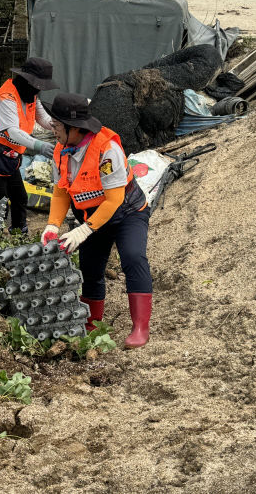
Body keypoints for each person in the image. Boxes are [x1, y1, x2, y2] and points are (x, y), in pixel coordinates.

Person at [40, 93, 153, 348]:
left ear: (74, 128)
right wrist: (52, 225)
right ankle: (92, 324)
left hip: (127, 212)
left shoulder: (106, 149)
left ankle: (140, 328)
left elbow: (113, 200)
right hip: (90, 217)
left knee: (133, 257)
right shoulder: (62, 149)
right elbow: (61, 190)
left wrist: (83, 231)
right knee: (90, 269)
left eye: (56, 125)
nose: (51, 129)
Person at [0, 57, 58, 234]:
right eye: (37, 85)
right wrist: (40, 146)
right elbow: (12, 132)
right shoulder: (6, 98)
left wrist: (59, 128)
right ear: (27, 80)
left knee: (19, 196)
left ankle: (19, 231)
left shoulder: (30, 95)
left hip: (11, 156)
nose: (38, 90)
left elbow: (42, 117)